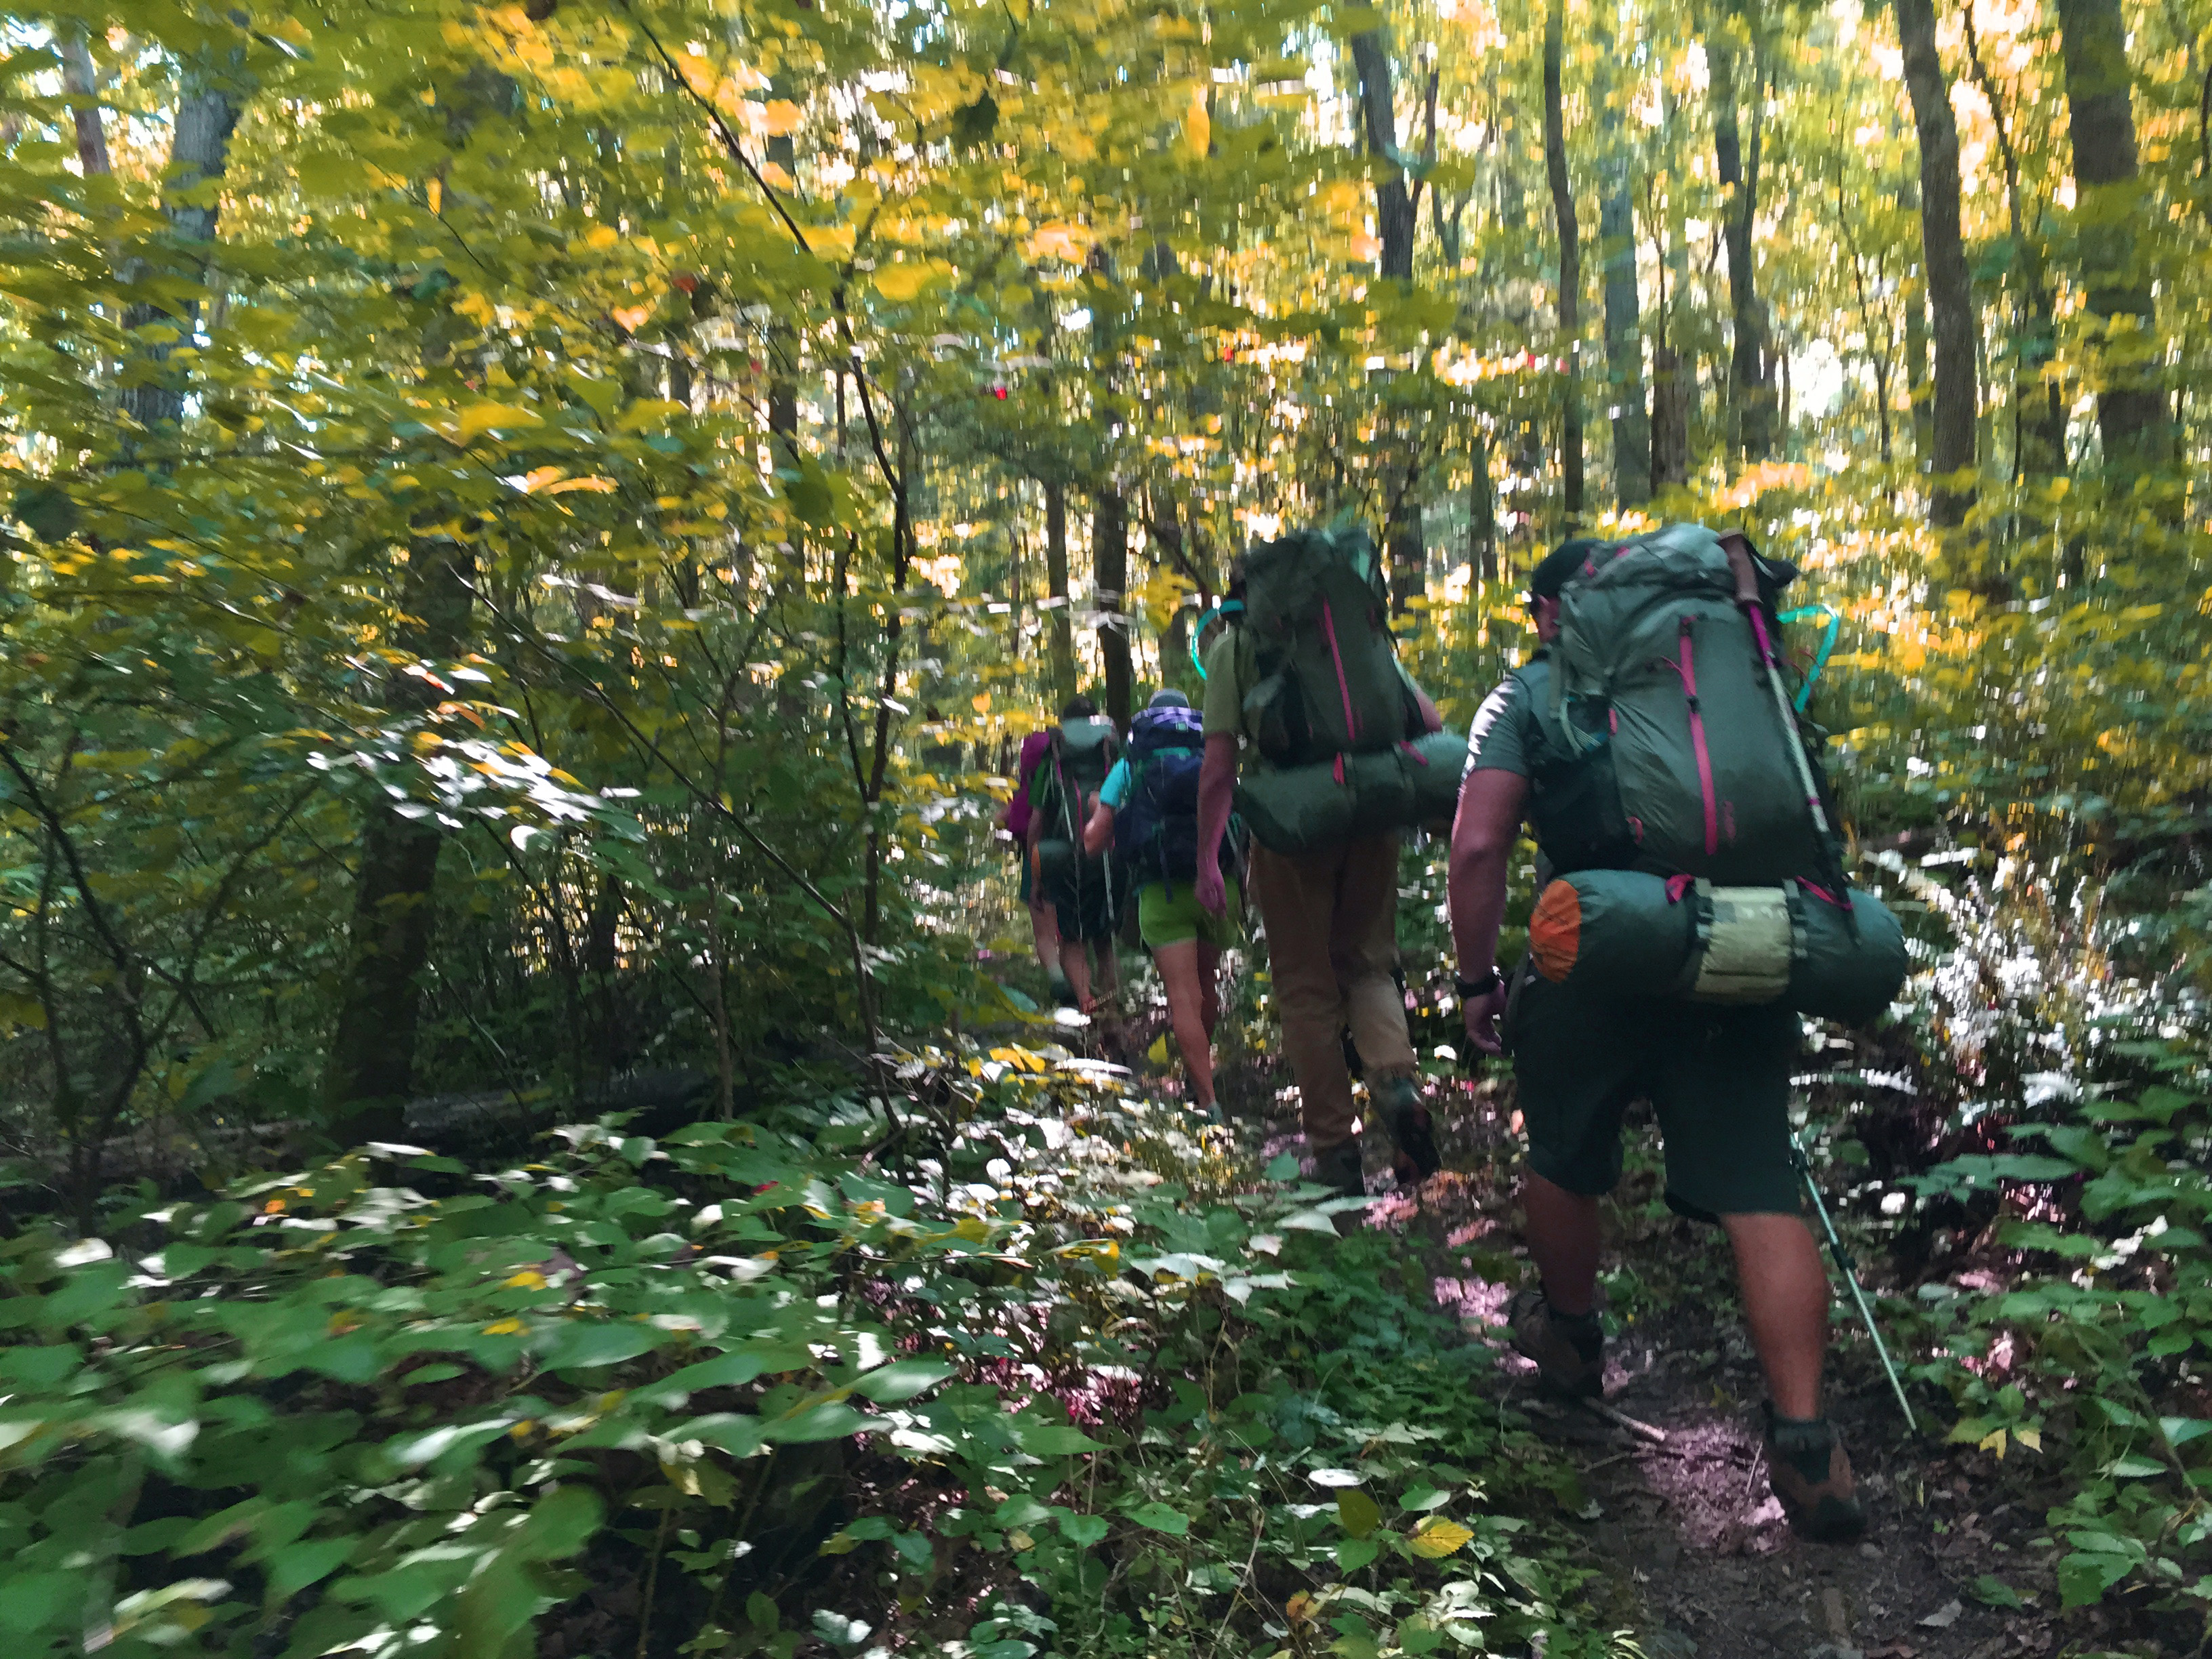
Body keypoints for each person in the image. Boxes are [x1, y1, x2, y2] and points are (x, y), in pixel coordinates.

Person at [1446, 536, 1865, 1542]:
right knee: (1759, 1187)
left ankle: (1575, 1343)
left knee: (1565, 1152)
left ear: (1556, 611)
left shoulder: (1529, 695)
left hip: (1596, 954)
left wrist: (1473, 980)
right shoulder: (1737, 666)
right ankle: (1808, 1446)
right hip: (1748, 947)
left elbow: (1477, 842)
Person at [1192, 560, 1446, 1199]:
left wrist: (1205, 859)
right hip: (1372, 811)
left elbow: (1219, 766)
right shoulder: (1351, 636)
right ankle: (1397, 1085)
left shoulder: (1236, 646)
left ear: (1242, 598)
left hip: (1293, 824)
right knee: (1367, 964)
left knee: (1306, 988)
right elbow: (1429, 719)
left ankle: (1336, 1154)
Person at [1081, 690, 1237, 1115]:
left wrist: (1095, 813)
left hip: (1161, 890)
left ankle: (1208, 1098)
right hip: (1218, 884)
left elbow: (1094, 842)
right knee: (1208, 986)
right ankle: (1202, 1077)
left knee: (1183, 996)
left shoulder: (1132, 762)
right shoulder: (1211, 750)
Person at [1025, 694, 1124, 1025]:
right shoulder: (1111, 751)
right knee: (1104, 941)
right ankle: (1112, 1017)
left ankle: (1086, 1003)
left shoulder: (1053, 756)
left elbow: (1036, 824)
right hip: (1109, 858)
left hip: (1066, 859)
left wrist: (1036, 879)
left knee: (1071, 939)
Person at [1002, 724, 1072, 1005]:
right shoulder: (1077, 773)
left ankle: (1058, 983)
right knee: (1069, 930)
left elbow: (1026, 823)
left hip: (1039, 855)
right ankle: (1083, 992)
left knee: (1044, 933)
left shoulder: (1036, 779)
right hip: (1074, 852)